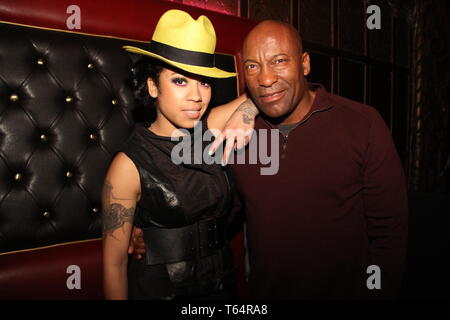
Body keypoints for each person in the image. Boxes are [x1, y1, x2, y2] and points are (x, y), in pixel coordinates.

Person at [131, 19, 409, 300]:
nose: (265, 78)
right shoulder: (238, 134)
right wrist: (159, 235)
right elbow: (217, 209)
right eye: (252, 66)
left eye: (279, 61)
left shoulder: (362, 124)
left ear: (305, 64)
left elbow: (389, 236)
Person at [101, 9, 249, 300]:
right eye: (180, 81)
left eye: (204, 82)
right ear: (153, 86)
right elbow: (113, 264)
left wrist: (247, 113)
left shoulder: (208, 131)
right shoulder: (128, 165)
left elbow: (265, 93)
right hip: (160, 290)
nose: (197, 95)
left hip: (221, 286)